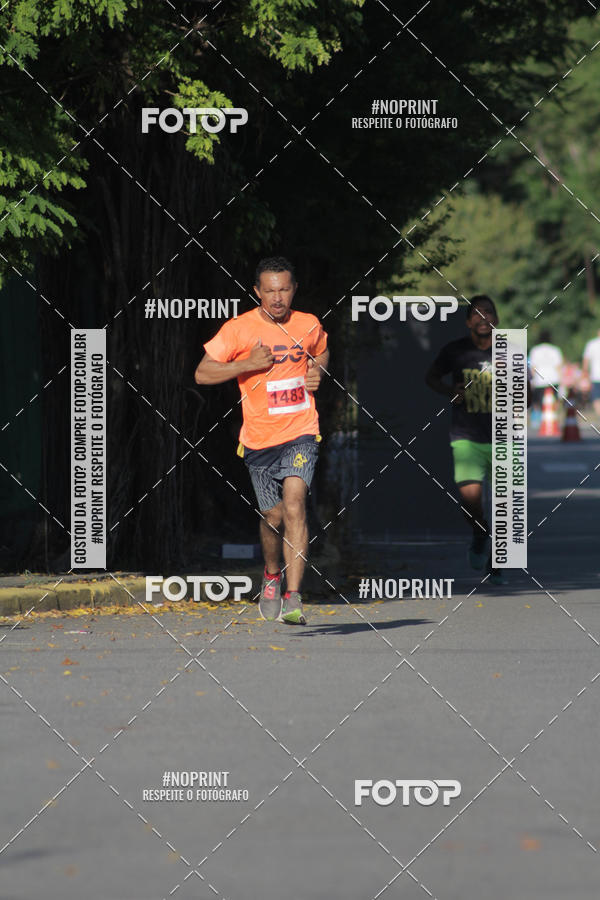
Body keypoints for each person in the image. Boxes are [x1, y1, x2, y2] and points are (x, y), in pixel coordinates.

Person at [194, 257, 329, 624]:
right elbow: (203, 373)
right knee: (272, 517)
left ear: (294, 289)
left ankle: (294, 597)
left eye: (284, 289)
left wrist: (318, 371)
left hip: (301, 431)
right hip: (258, 439)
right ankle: (271, 573)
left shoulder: (308, 324)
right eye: (269, 291)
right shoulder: (239, 329)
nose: (277, 298)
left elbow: (321, 351)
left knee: (295, 504)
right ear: (257, 292)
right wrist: (246, 364)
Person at [425, 295, 503, 585]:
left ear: (497, 319)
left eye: (489, 313)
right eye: (477, 315)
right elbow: (430, 377)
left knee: (505, 504)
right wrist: (449, 391)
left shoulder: (510, 351)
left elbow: (528, 394)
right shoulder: (455, 351)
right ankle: (480, 534)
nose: (484, 320)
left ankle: (497, 564)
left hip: (504, 435)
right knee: (470, 500)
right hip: (467, 434)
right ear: (469, 321)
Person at [529, 330, 563, 411]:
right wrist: (561, 382)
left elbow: (533, 368)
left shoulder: (535, 350)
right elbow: (558, 367)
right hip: (553, 379)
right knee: (554, 402)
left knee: (542, 404)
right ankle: (553, 418)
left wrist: (531, 381)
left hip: (539, 381)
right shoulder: (555, 350)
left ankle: (545, 419)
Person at [582, 328, 600, 416]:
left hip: (596, 375)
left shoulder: (591, 344)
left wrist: (585, 373)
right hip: (595, 376)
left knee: (596, 398)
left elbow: (586, 360)